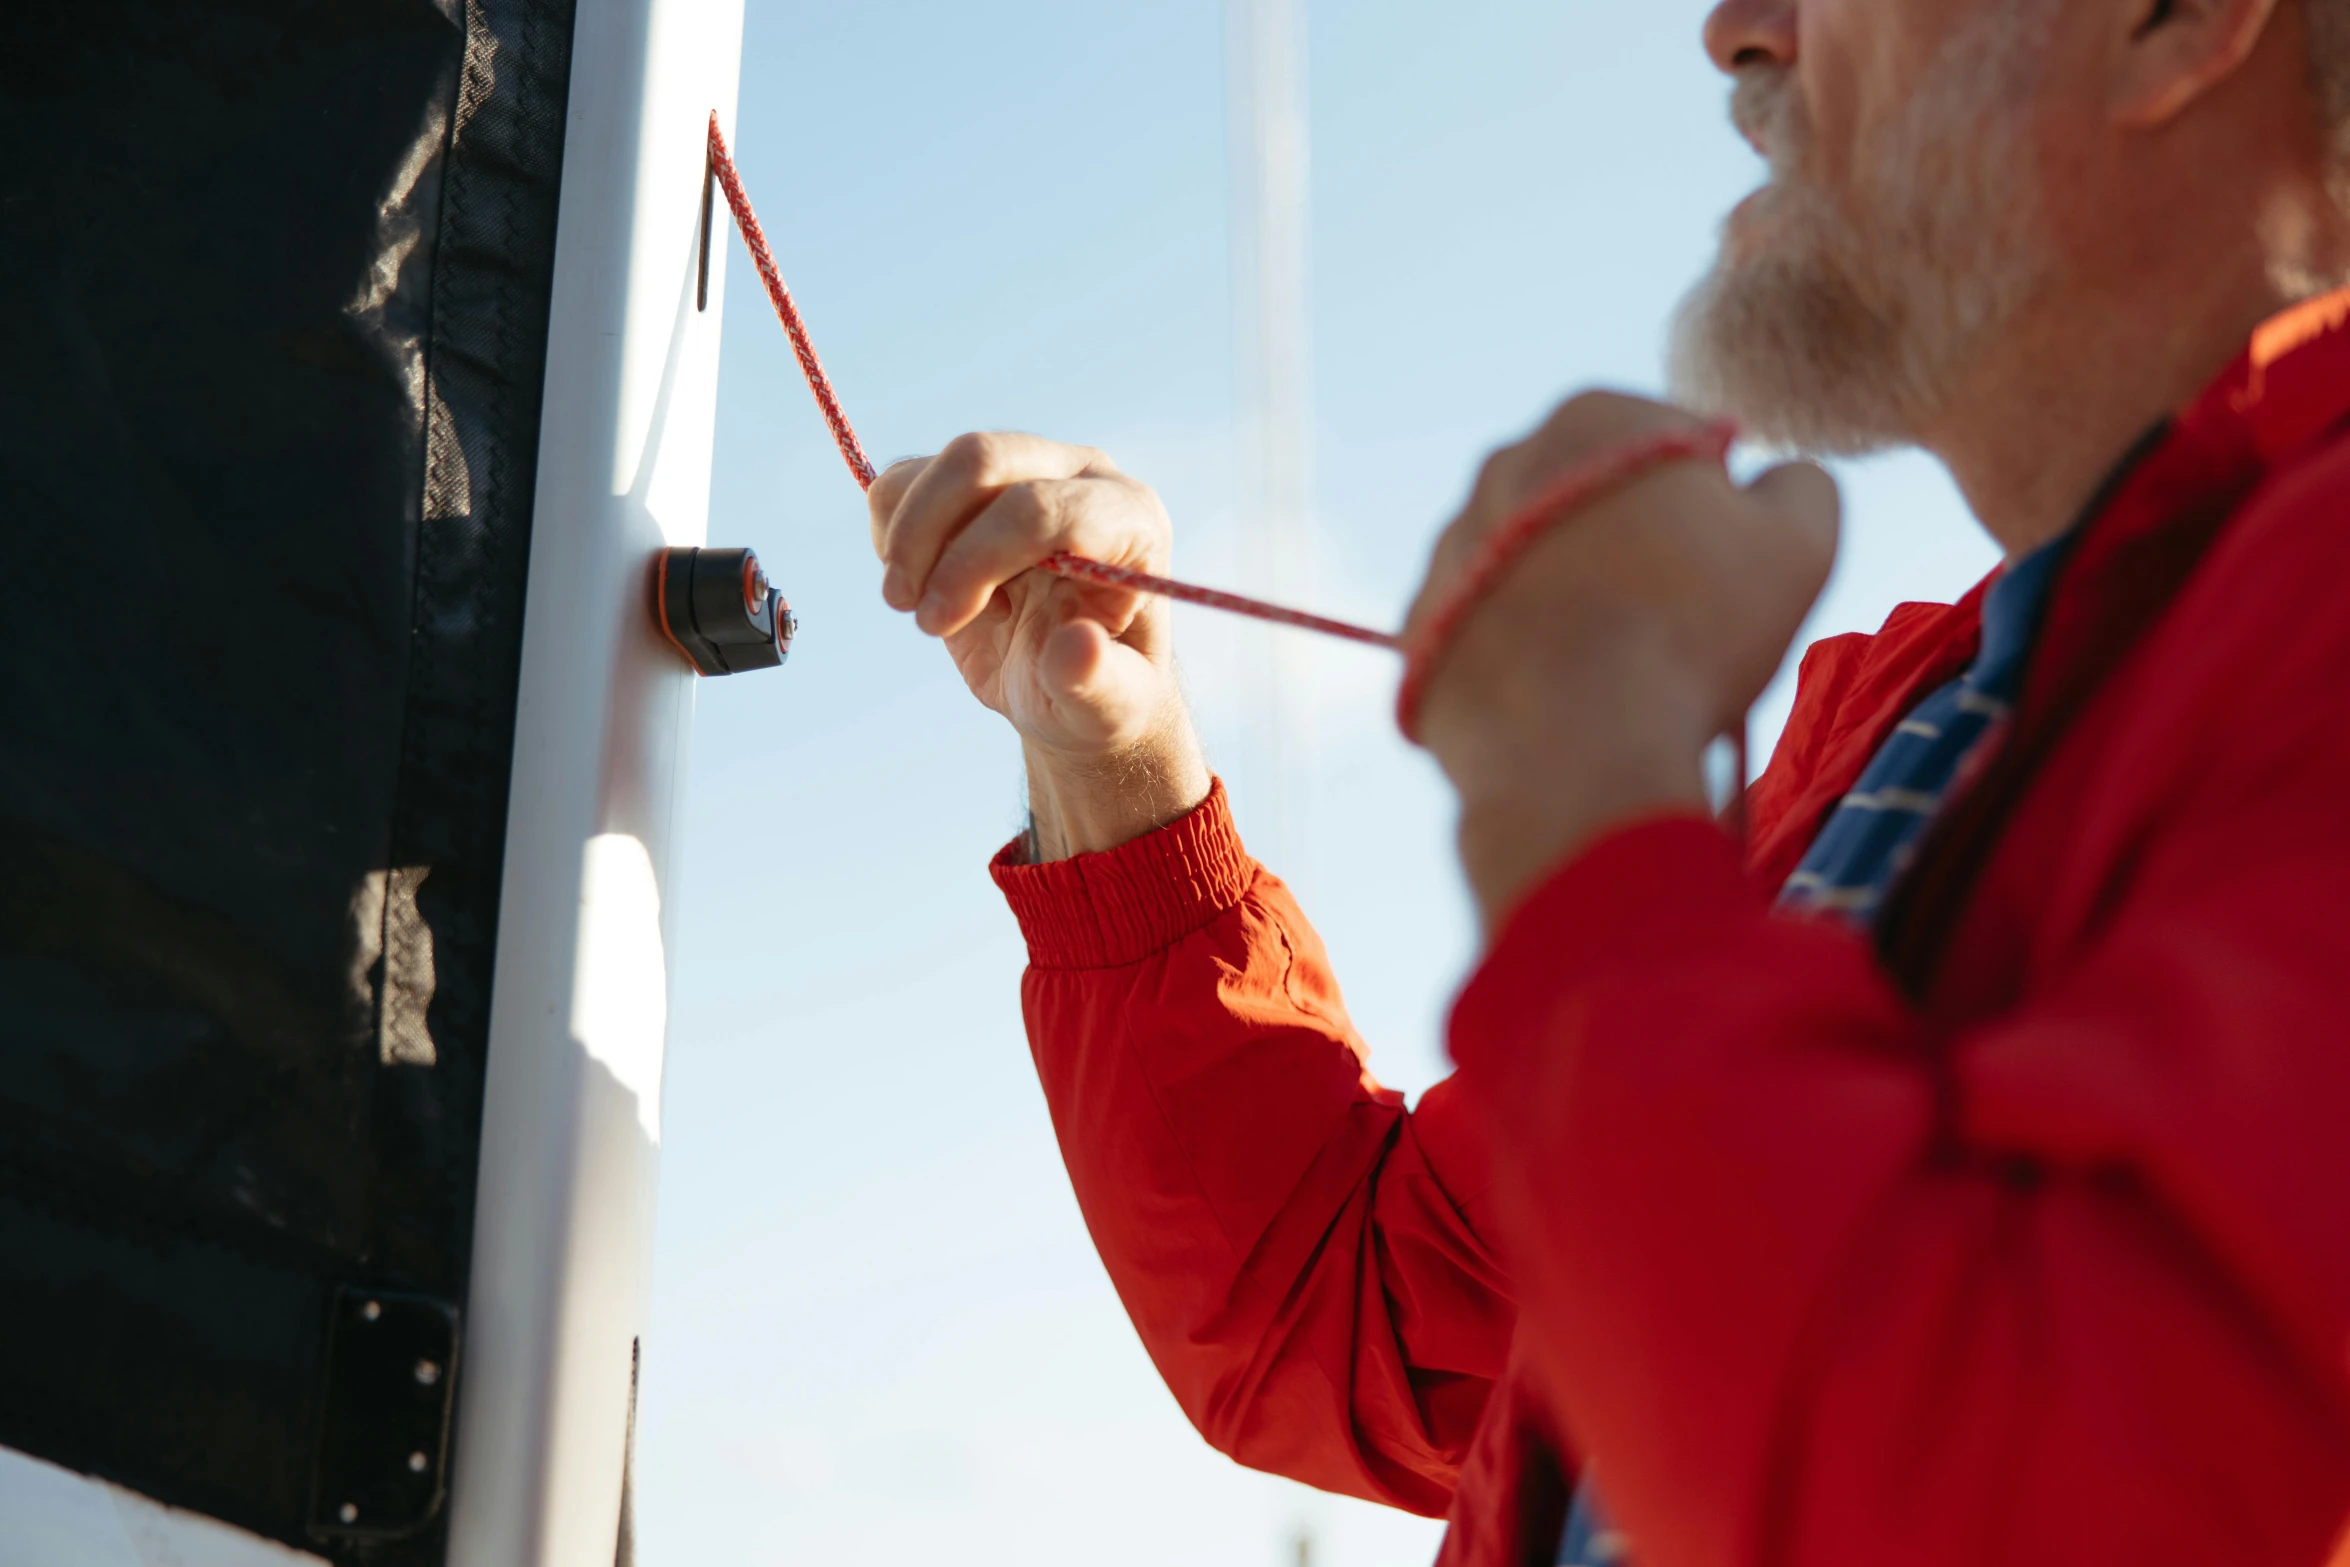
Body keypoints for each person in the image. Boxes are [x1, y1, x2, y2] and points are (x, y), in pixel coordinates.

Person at [867, 0, 2350, 1561]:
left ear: (2172, 20)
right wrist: (1114, 760)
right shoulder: (1933, 720)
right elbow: (1349, 1313)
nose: (1733, 30)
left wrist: (1588, 817)